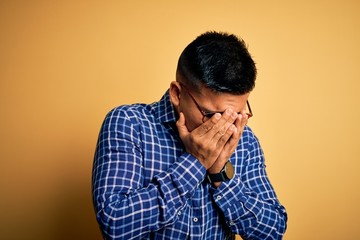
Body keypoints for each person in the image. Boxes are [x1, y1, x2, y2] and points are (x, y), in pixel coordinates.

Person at [92, 31, 287, 240]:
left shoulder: (244, 139)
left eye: (238, 113)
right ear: (177, 94)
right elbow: (114, 224)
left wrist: (220, 172)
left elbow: (272, 232)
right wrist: (196, 161)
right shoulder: (129, 123)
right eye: (212, 115)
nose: (226, 126)